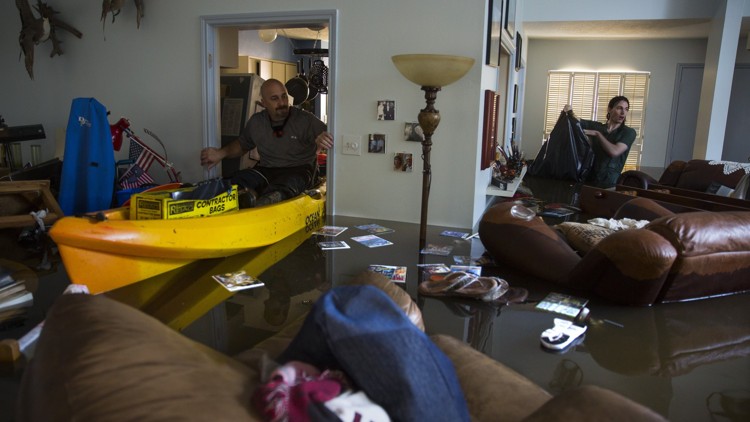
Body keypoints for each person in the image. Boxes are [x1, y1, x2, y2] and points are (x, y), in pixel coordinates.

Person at [200, 79, 333, 206]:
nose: (282, 102)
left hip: (299, 170)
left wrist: (324, 138)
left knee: (283, 188)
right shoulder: (257, 122)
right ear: (263, 103)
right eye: (274, 98)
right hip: (267, 170)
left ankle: (261, 202)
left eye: (284, 96)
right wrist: (221, 153)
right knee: (235, 181)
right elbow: (242, 145)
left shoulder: (305, 119)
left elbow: (331, 136)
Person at [564, 96, 636, 188]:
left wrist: (597, 134)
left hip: (610, 183)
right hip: (588, 180)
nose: (623, 112)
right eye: (619, 108)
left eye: (626, 109)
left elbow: (614, 152)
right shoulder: (597, 126)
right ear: (609, 109)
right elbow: (575, 121)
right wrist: (569, 111)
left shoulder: (629, 132)